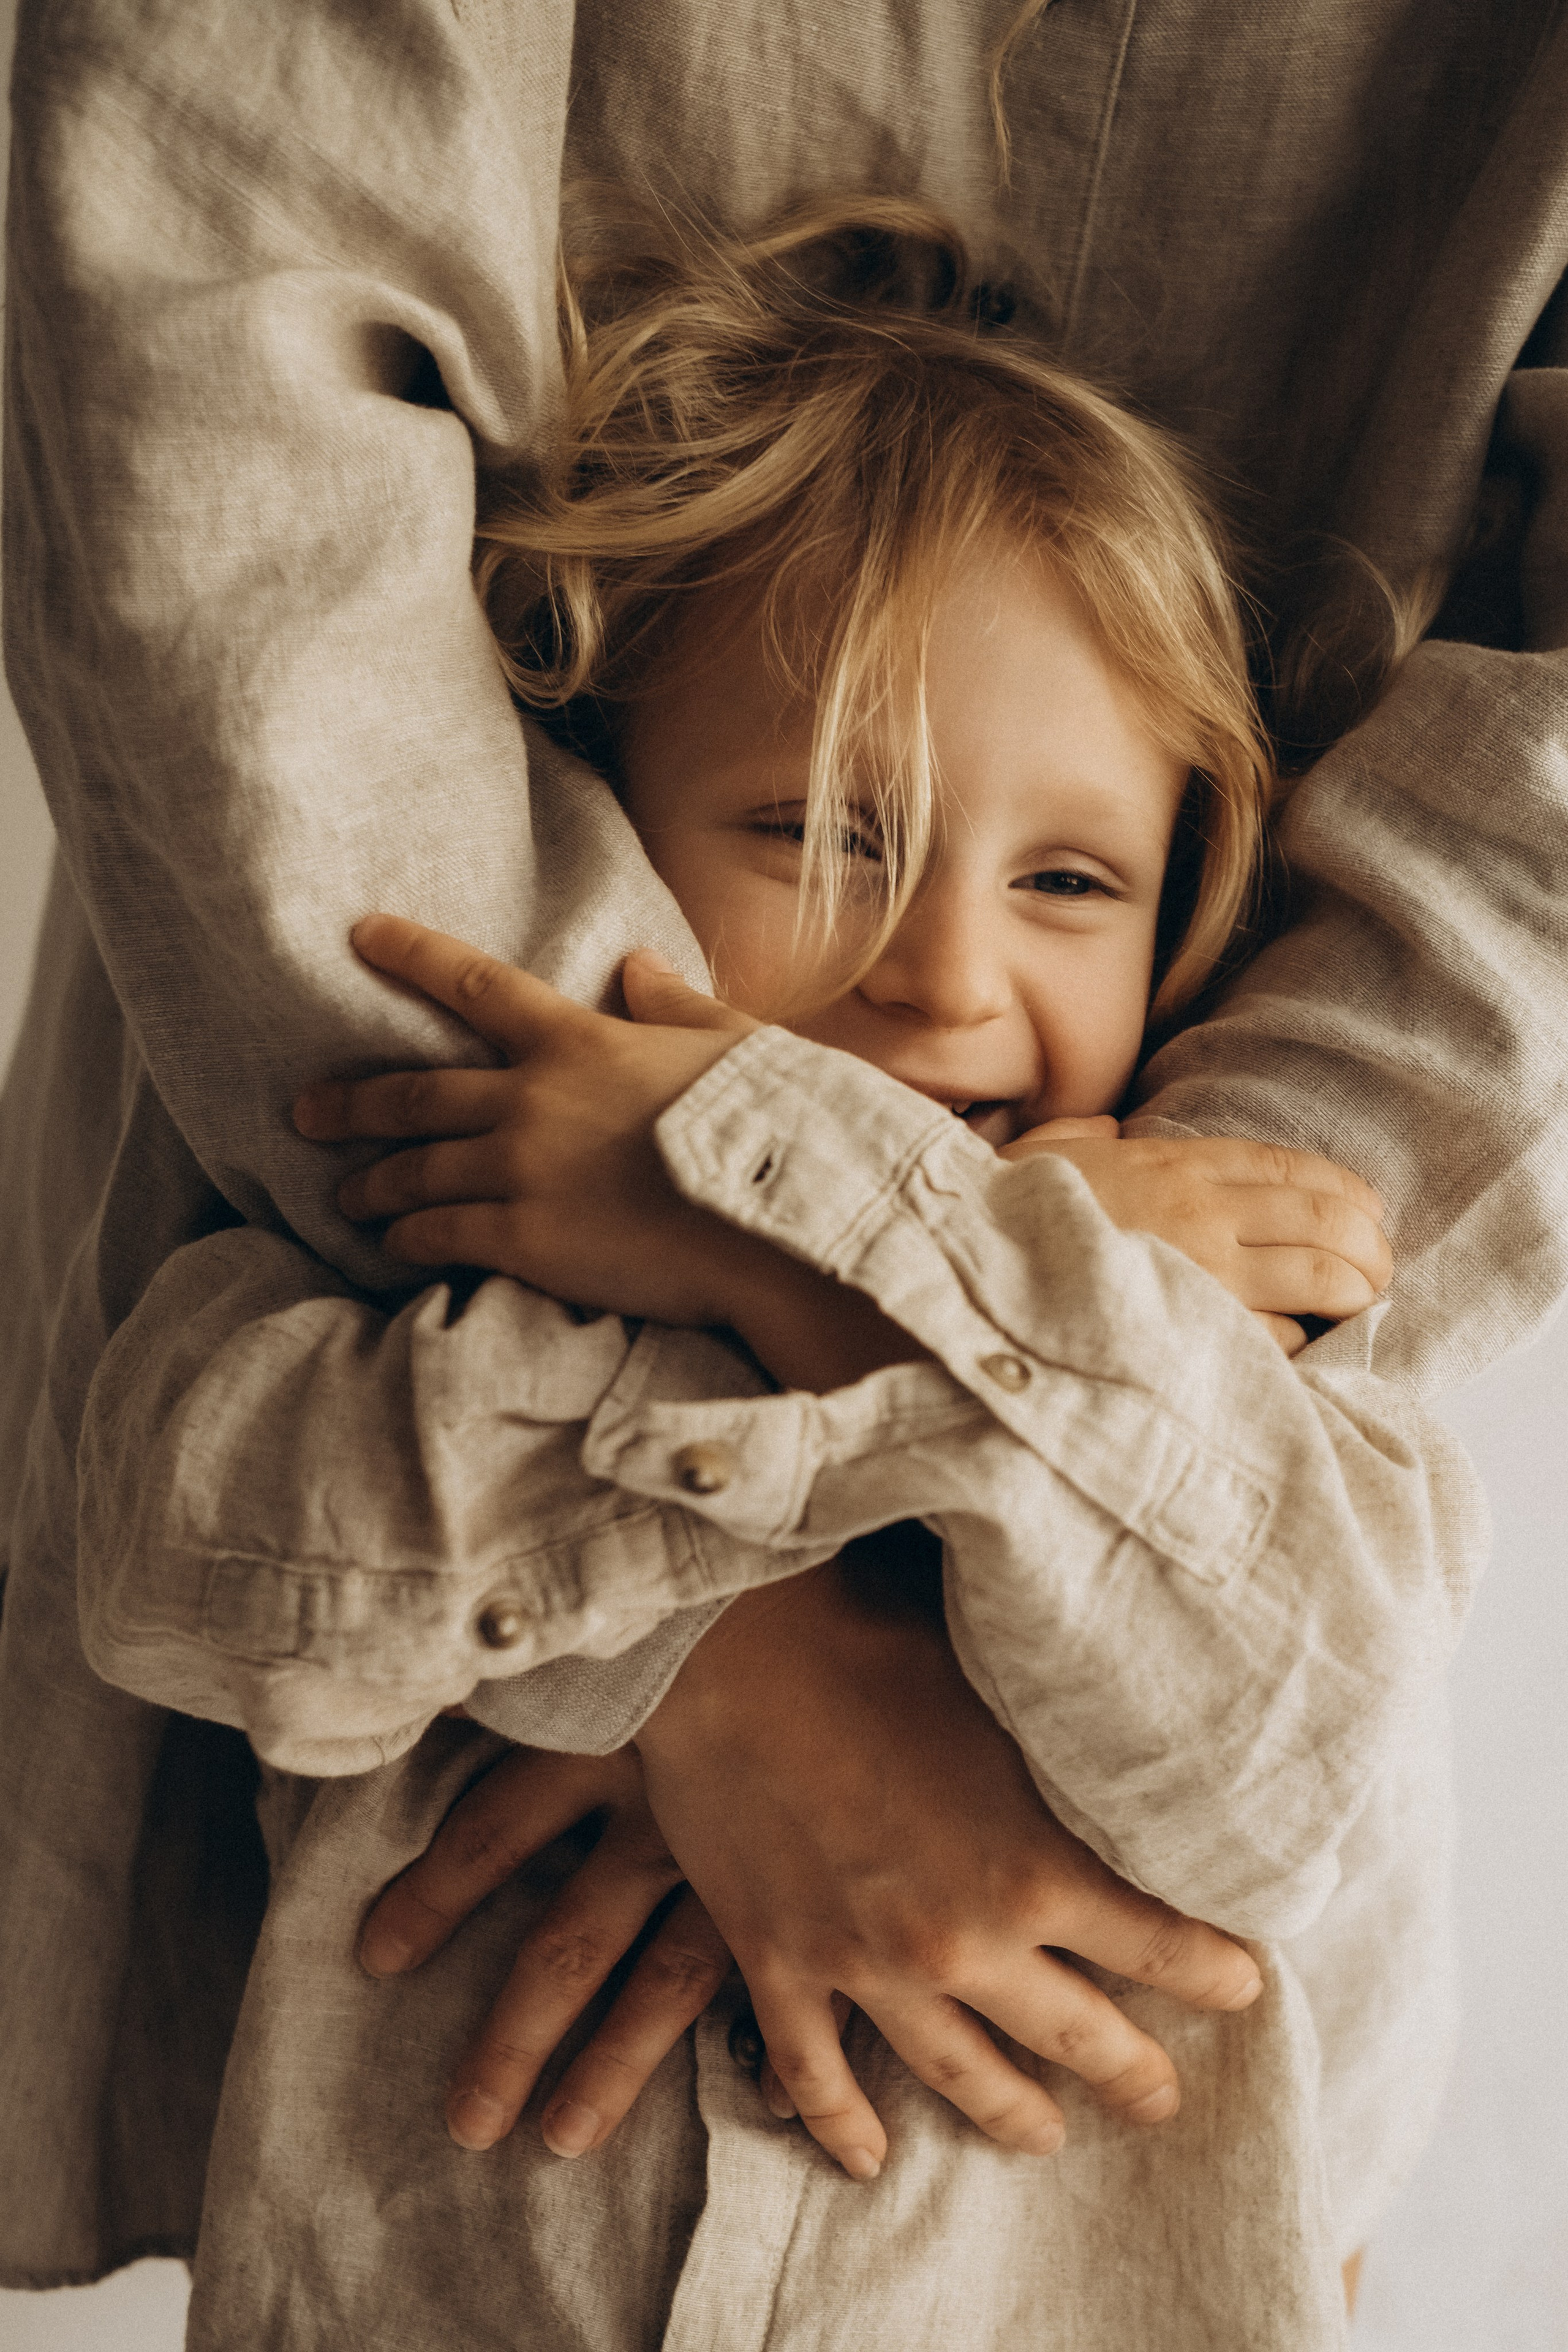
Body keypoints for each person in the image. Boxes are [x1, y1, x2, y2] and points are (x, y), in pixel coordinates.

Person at [1, 4, 1566, 2348]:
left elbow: (1291, 1756)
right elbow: (185, 1526)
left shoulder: (1284, 1413)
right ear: (609, 811)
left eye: (1068, 887)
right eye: (823, 835)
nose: (940, 976)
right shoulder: (398, 1308)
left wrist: (802, 1245)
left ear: (1198, 913)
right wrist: (691, 1641)